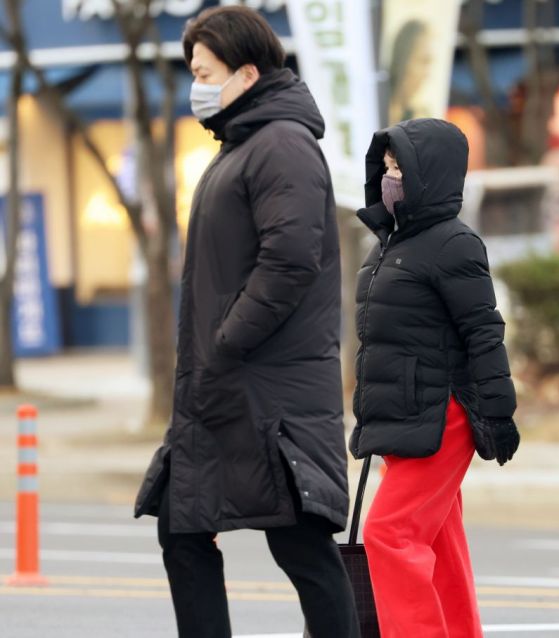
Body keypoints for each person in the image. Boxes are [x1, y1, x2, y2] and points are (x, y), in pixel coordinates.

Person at [133, 7, 359, 638]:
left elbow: (288, 260)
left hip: (266, 390)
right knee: (181, 528)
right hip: (224, 389)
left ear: (247, 72)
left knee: (300, 545)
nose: (195, 85)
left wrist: (228, 340)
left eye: (204, 72)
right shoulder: (245, 144)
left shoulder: (281, 143)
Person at [350, 118, 520, 637]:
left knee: (389, 534)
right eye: (386, 166)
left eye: (399, 166)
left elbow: (484, 335)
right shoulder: (388, 246)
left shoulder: (454, 244)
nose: (389, 175)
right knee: (440, 541)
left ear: (431, 174)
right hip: (402, 414)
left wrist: (499, 412)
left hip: (439, 417)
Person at [387, 20, 433, 123]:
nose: (426, 74)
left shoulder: (416, 118)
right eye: (423, 61)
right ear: (404, 60)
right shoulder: (374, 104)